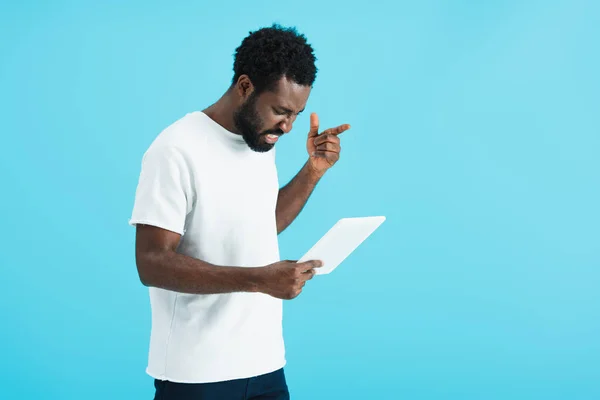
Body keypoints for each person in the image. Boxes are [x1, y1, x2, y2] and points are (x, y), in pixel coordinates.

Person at [129, 24, 350, 400]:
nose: (288, 126)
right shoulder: (175, 149)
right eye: (281, 111)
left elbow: (262, 225)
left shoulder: (259, 141)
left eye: (296, 114)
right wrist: (259, 280)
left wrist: (312, 170)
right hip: (197, 374)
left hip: (265, 365)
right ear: (245, 86)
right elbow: (151, 263)